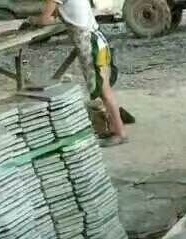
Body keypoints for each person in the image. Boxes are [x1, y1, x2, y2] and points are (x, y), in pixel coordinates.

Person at [27, 0, 127, 146]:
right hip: (96, 39)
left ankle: (120, 133)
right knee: (103, 91)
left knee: (104, 92)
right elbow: (58, 14)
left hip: (91, 45)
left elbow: (45, 20)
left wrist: (32, 20)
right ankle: (114, 128)